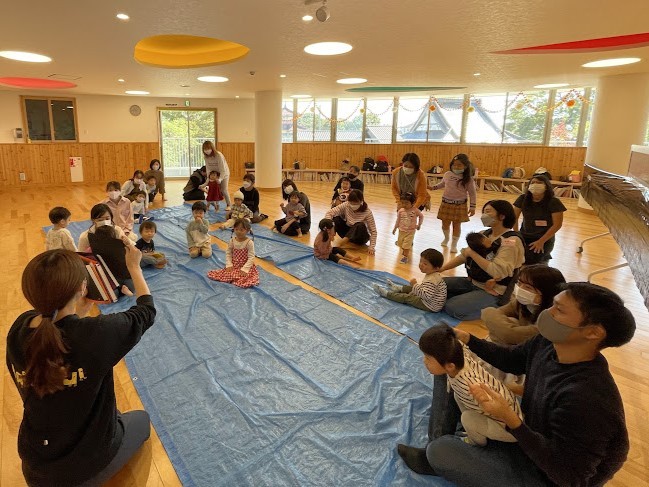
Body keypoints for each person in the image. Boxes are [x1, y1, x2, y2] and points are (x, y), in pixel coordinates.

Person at [397, 282, 635, 487]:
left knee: (442, 452)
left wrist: (511, 420)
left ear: (593, 333)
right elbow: (511, 359)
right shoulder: (547, 343)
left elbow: (570, 478)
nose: (548, 312)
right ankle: (439, 442)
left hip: (544, 473)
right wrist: (469, 340)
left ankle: (440, 452)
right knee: (445, 362)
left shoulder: (587, 399)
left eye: (559, 310)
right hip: (526, 430)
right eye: (552, 304)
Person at [6, 248, 155, 486]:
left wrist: (78, 314)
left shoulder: (18, 329)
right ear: (82, 288)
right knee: (142, 420)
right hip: (82, 468)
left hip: (35, 464)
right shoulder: (97, 334)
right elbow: (146, 311)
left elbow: (60, 341)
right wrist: (134, 268)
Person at [417, 324, 523, 446]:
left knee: (468, 419)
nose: (424, 361)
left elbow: (504, 413)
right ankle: (470, 429)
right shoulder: (458, 354)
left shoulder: (469, 386)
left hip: (510, 428)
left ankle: (475, 444)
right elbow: (459, 342)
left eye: (428, 359)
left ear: (450, 366)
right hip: (499, 409)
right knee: (457, 397)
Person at [440, 200, 525, 321]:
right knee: (436, 285)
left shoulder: (511, 241)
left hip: (495, 290)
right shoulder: (483, 234)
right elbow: (464, 256)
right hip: (474, 282)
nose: (484, 216)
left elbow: (497, 271)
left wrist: (472, 253)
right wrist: (441, 268)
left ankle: (499, 308)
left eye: (488, 212)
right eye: (483, 212)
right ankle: (469, 298)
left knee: (452, 307)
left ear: (502, 216)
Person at [481, 264, 566, 346]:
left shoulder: (552, 318)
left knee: (499, 327)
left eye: (528, 287)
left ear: (547, 293)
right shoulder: (522, 303)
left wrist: (489, 312)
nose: (520, 289)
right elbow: (494, 314)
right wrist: (489, 314)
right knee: (506, 322)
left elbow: (508, 335)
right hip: (518, 346)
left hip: (537, 351)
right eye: (519, 283)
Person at [428, 153, 477, 253]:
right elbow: (442, 184)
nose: (456, 167)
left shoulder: (468, 179)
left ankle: (454, 244)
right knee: (445, 224)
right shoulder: (447, 174)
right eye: (454, 164)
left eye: (459, 165)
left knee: (456, 226)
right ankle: (446, 238)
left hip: (460, 205)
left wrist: (472, 207)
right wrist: (433, 188)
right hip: (446, 203)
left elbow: (472, 194)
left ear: (465, 166)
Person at [513, 174, 567, 264]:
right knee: (510, 251)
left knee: (530, 258)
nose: (535, 184)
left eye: (539, 182)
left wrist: (541, 241)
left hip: (545, 238)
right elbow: (514, 218)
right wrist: (517, 235)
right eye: (533, 182)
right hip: (524, 236)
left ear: (546, 186)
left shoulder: (554, 202)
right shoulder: (523, 198)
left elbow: (557, 225)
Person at [373, 248, 446, 312]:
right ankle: (397, 288)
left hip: (429, 306)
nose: (421, 264)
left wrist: (415, 286)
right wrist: (415, 288)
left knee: (407, 297)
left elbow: (426, 296)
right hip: (431, 301)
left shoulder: (432, 280)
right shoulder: (433, 275)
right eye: (420, 261)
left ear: (436, 268)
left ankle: (387, 294)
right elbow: (426, 290)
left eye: (425, 264)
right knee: (411, 288)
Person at [207, 218, 259, 288]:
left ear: (247, 230)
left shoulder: (249, 242)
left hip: (245, 265)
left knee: (245, 278)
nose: (238, 232)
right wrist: (229, 264)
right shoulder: (232, 241)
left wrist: (245, 269)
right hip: (234, 265)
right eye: (236, 229)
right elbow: (228, 253)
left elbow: (251, 257)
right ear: (233, 229)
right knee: (228, 275)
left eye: (241, 230)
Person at [324, 189, 377, 255]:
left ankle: (341, 243)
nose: (353, 205)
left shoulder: (367, 212)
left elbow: (373, 231)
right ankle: (330, 239)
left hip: (359, 237)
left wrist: (371, 247)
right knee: (336, 218)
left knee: (359, 225)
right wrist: (330, 228)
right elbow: (329, 213)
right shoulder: (346, 205)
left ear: (361, 201)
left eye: (356, 203)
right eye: (351, 203)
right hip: (348, 233)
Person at [392, 192, 424, 264]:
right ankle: (404, 249)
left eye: (406, 203)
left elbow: (421, 216)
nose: (404, 205)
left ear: (413, 203)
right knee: (400, 244)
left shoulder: (415, 210)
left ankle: (405, 257)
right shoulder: (400, 211)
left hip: (410, 232)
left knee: (406, 246)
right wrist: (395, 228)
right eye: (402, 203)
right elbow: (398, 220)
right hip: (401, 231)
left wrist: (419, 224)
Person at [202, 141, 231, 209]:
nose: (206, 150)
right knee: (213, 189)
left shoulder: (218, 155)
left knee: (224, 190)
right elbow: (208, 168)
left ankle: (229, 205)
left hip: (224, 173)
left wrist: (220, 179)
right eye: (205, 149)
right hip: (214, 174)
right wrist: (208, 178)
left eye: (208, 148)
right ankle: (214, 202)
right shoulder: (206, 157)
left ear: (212, 148)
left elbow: (222, 169)